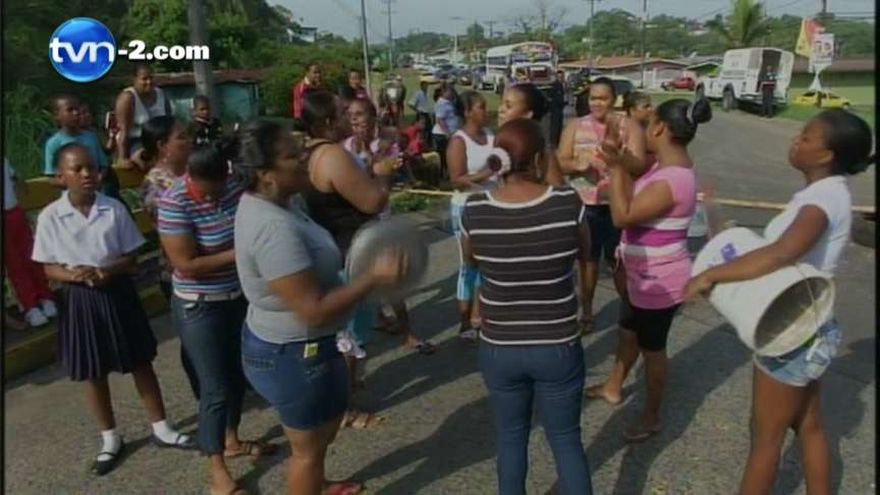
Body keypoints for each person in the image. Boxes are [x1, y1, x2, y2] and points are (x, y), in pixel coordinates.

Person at [684, 109, 874, 494]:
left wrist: (710, 275)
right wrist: (718, 218)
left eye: (806, 137)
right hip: (811, 323)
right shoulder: (827, 192)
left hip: (791, 329)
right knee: (808, 423)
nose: (795, 141)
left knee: (765, 438)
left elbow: (783, 252)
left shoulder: (822, 200)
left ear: (826, 155)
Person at [233, 119, 405, 495]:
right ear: (265, 174)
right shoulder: (272, 228)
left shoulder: (285, 201)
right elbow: (313, 310)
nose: (302, 157)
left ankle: (318, 486)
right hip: (293, 353)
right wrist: (373, 277)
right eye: (290, 155)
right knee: (307, 453)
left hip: (305, 345)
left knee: (320, 439)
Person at [32, 143, 193, 476]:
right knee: (92, 370)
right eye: (77, 169)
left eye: (92, 167)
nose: (87, 174)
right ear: (61, 177)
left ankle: (161, 426)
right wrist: (75, 274)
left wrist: (107, 270)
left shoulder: (113, 208)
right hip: (80, 297)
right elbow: (48, 267)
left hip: (116, 290)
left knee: (140, 360)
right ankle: (110, 438)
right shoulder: (51, 216)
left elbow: (131, 257)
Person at [460, 118, 593, 495]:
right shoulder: (568, 203)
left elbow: (472, 262)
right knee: (566, 439)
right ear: (539, 159)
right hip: (558, 343)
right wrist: (586, 309)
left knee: (510, 436)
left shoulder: (475, 209)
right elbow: (585, 255)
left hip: (500, 345)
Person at [586, 98, 712, 442]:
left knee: (652, 349)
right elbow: (635, 164)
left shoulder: (672, 180)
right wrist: (615, 150)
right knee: (628, 331)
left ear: (659, 128)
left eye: (649, 123)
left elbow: (622, 216)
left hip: (660, 279)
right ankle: (613, 386)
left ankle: (652, 415)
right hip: (640, 273)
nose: (644, 130)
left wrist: (615, 168)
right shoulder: (666, 165)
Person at [158, 141, 275, 495]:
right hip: (199, 305)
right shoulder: (175, 202)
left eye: (219, 188)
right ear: (191, 177)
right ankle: (217, 470)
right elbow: (186, 264)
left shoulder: (234, 186)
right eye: (206, 190)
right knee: (215, 387)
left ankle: (231, 440)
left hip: (236, 296)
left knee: (238, 374)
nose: (213, 197)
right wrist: (240, 253)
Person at [299, 90, 397, 429]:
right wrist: (382, 174)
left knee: (342, 332)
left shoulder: (307, 152)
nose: (350, 119)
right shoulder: (332, 155)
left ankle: (345, 390)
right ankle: (343, 406)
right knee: (349, 334)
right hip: (349, 252)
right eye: (343, 113)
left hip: (329, 249)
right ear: (328, 121)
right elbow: (373, 202)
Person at [343, 98, 436, 355]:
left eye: (360, 114)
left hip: (381, 219)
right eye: (350, 114)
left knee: (393, 278)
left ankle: (407, 332)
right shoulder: (344, 147)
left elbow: (387, 175)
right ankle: (376, 320)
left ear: (373, 117)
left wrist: (372, 155)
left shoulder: (386, 145)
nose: (355, 119)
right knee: (360, 274)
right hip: (354, 220)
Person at [557, 77, 648, 332]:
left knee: (619, 261)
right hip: (584, 205)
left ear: (614, 100)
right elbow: (560, 161)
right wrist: (577, 165)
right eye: (593, 98)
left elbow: (639, 166)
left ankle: (631, 314)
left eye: (603, 98)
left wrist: (618, 158)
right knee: (587, 261)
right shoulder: (575, 126)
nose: (597, 103)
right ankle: (587, 314)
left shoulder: (629, 126)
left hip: (618, 206)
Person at [138, 116, 201, 400]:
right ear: (162, 146)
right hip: (179, 270)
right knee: (194, 337)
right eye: (181, 137)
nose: (189, 141)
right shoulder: (156, 186)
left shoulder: (193, 171)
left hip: (209, 262)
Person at [447, 91, 496, 342]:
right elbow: (457, 180)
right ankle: (464, 321)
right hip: (466, 207)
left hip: (491, 206)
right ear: (467, 112)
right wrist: (486, 174)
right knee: (469, 266)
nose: (486, 111)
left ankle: (481, 314)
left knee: (487, 264)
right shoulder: (459, 141)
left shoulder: (491, 136)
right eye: (480, 107)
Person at [4, 158, 57, 327]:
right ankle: (33, 304)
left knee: (29, 258)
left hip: (15, 212)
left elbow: (16, 180)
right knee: (18, 263)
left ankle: (42, 299)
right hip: (10, 214)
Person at [43, 95, 117, 198]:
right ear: (57, 115)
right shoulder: (53, 143)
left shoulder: (91, 137)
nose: (76, 113)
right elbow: (50, 176)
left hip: (97, 193)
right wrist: (74, 183)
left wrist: (97, 179)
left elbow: (103, 165)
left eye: (77, 109)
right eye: (70, 110)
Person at [497, 83, 565, 187]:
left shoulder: (541, 147)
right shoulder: (493, 138)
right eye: (501, 104)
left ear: (527, 114)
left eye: (508, 106)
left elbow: (557, 187)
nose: (501, 110)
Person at [114, 64, 174, 171]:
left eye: (151, 78)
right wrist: (122, 158)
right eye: (144, 79)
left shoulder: (162, 94)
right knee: (145, 159)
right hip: (136, 141)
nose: (149, 82)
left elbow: (169, 123)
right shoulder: (128, 98)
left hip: (160, 140)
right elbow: (124, 131)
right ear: (135, 79)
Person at [432, 84, 460, 180]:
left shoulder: (449, 102)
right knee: (444, 155)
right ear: (444, 92)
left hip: (450, 133)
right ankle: (444, 173)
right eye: (450, 91)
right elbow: (439, 119)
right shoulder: (442, 103)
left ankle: (448, 173)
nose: (452, 93)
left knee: (449, 154)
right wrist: (447, 133)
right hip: (442, 134)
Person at [409, 80, 434, 148]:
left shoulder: (428, 94)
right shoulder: (418, 94)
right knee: (422, 130)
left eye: (427, 86)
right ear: (421, 86)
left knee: (429, 129)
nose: (426, 87)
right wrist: (417, 110)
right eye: (425, 86)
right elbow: (411, 104)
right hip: (421, 114)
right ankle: (420, 144)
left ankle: (429, 144)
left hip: (427, 113)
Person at [549, 70, 567, 148]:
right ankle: (554, 142)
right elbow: (553, 96)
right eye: (559, 77)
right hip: (555, 108)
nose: (561, 78)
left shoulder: (562, 85)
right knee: (555, 125)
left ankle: (557, 141)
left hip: (559, 108)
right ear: (557, 77)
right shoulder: (555, 85)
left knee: (559, 125)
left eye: (562, 77)